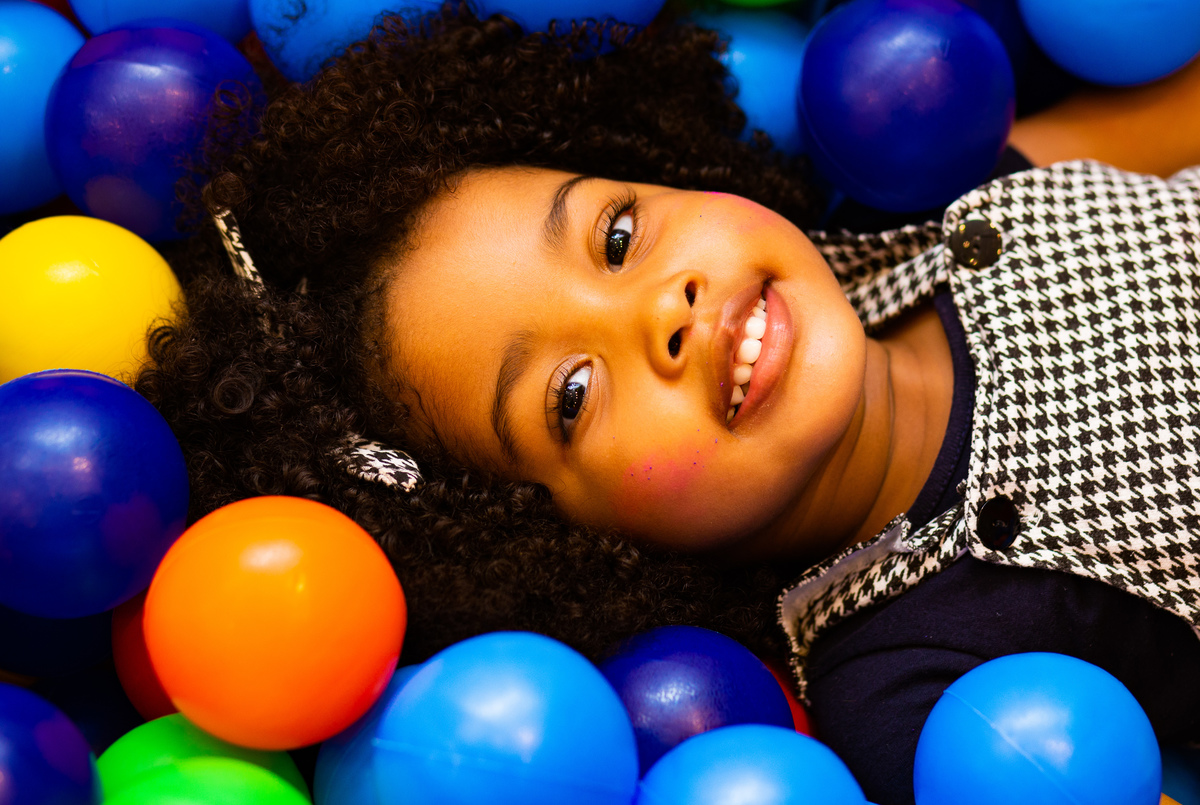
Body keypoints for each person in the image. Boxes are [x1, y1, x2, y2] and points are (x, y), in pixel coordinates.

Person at [140, 5, 1200, 802]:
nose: (663, 310)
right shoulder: (906, 689)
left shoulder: (935, 213)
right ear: (566, 545)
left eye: (616, 237)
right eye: (570, 395)